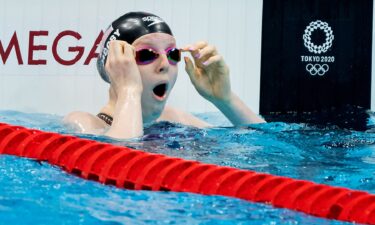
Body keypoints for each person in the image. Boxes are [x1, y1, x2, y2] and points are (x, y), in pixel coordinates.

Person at [64, 12, 265, 139]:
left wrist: (225, 99)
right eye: (146, 55)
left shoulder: (175, 118)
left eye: (172, 54)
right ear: (115, 65)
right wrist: (129, 90)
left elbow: (263, 146)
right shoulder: (83, 124)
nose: (164, 66)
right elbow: (121, 166)